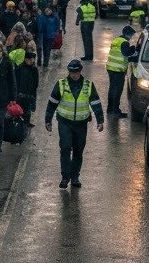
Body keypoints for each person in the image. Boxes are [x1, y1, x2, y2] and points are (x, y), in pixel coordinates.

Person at [44, 58, 104, 190]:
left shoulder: (88, 85)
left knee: (78, 151)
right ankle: (65, 177)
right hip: (65, 122)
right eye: (72, 72)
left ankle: (75, 176)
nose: (74, 75)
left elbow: (96, 103)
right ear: (69, 72)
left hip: (81, 124)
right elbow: (52, 103)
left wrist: (100, 120)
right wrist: (48, 120)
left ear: (80, 71)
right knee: (65, 148)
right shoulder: (61, 84)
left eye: (76, 72)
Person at [106, 25, 138, 118]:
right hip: (118, 70)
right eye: (131, 35)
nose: (131, 37)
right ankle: (116, 111)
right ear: (127, 34)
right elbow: (126, 53)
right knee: (117, 90)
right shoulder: (124, 43)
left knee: (112, 89)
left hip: (111, 67)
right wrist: (133, 48)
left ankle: (110, 109)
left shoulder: (116, 40)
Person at [14, 47, 40, 126]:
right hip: (21, 93)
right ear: (25, 59)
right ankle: (19, 123)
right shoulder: (19, 69)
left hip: (30, 93)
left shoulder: (34, 69)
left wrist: (33, 92)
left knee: (28, 109)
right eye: (29, 59)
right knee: (20, 109)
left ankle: (27, 122)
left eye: (32, 59)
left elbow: (36, 82)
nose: (31, 61)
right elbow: (16, 81)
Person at [36, 4, 60, 69]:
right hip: (43, 35)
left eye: (49, 10)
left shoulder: (55, 17)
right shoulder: (42, 17)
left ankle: (45, 63)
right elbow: (39, 25)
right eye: (46, 10)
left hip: (50, 36)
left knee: (47, 50)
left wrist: (56, 32)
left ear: (51, 10)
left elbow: (57, 25)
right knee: (43, 49)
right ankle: (42, 62)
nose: (47, 11)